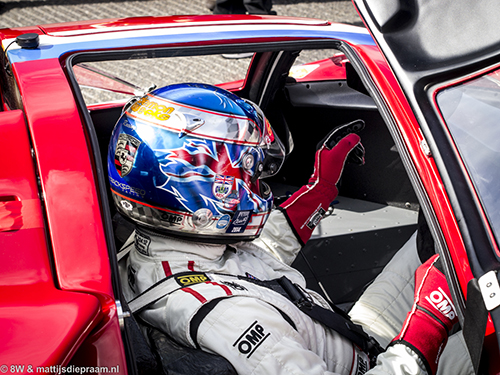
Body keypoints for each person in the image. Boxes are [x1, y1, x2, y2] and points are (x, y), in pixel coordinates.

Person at [110, 83, 471, 374]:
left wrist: (318, 192)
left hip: (351, 336)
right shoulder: (233, 322)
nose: (255, 183)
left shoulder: (161, 249)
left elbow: (247, 272)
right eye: (245, 173)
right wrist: (428, 322)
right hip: (372, 367)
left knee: (447, 235)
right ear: (199, 189)